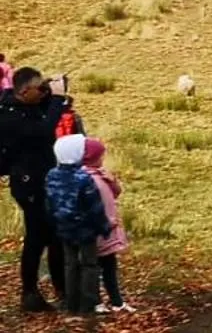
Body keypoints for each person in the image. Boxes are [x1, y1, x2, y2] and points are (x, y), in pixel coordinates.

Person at [0, 66, 84, 312]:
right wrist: (57, 99)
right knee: (37, 237)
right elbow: (43, 131)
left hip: (44, 179)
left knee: (53, 235)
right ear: (25, 91)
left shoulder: (24, 104)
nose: (42, 94)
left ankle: (61, 288)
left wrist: (51, 90)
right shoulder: (8, 116)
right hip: (28, 184)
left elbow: (44, 112)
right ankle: (30, 292)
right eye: (38, 90)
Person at [45, 134, 108, 315]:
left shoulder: (52, 175)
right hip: (85, 229)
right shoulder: (83, 178)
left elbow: (49, 202)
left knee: (70, 263)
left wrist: (54, 221)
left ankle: (71, 303)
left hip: (63, 227)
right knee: (89, 264)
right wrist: (103, 227)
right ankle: (88, 303)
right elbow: (94, 206)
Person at [81, 139, 131, 313]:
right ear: (92, 157)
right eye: (100, 156)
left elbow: (115, 193)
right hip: (98, 230)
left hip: (108, 230)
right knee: (94, 267)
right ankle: (97, 302)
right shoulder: (85, 179)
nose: (103, 159)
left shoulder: (100, 174)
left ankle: (116, 301)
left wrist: (112, 181)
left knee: (109, 266)